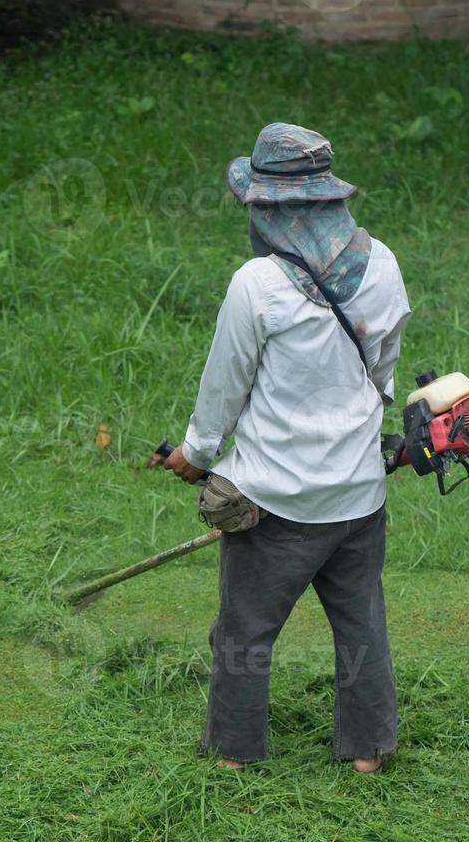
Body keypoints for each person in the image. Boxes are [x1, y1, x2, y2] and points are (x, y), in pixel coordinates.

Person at [158, 122, 411, 773]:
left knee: (244, 634)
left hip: (274, 505)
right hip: (359, 497)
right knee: (362, 627)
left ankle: (234, 757)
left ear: (272, 207)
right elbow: (381, 373)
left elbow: (224, 388)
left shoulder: (257, 285)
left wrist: (194, 454)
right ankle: (368, 754)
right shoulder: (382, 265)